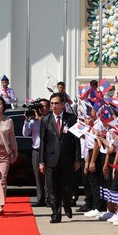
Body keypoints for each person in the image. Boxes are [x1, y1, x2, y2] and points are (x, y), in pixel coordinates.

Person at [39, 93, 81, 223]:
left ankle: (66, 203)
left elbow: (76, 140)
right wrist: (41, 161)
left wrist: (77, 158)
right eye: (52, 103)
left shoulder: (71, 118)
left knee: (67, 187)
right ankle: (56, 213)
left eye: (56, 103)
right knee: (52, 188)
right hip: (51, 159)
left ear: (63, 105)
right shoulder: (46, 120)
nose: (53, 106)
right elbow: (43, 142)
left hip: (67, 159)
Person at [22, 98, 49, 207]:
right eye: (39, 107)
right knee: (38, 177)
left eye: (44, 106)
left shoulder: (50, 119)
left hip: (48, 151)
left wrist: (41, 119)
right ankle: (40, 199)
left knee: (48, 177)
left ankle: (48, 199)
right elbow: (25, 133)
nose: (41, 109)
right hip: (37, 151)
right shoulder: (33, 120)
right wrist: (26, 120)